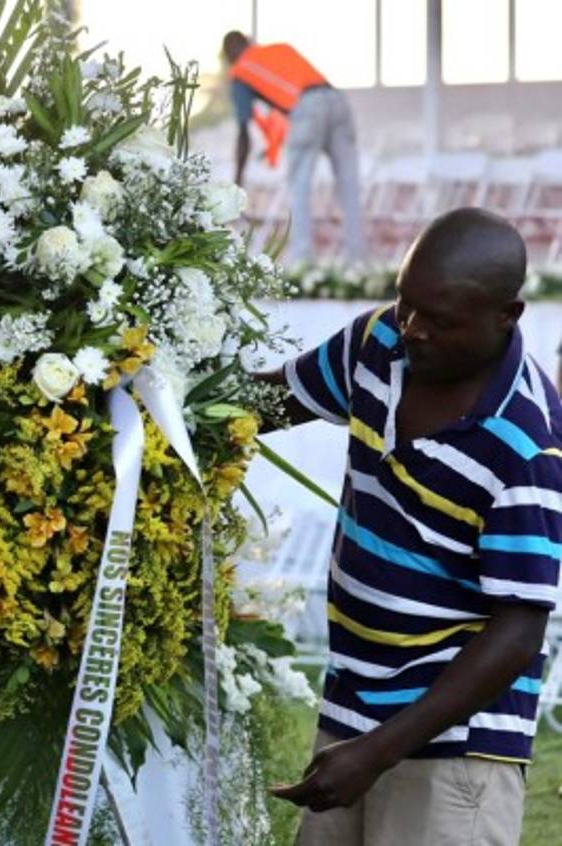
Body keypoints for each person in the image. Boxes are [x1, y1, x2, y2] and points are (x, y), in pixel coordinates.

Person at [259, 208, 562, 845]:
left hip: (455, 744)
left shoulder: (525, 445)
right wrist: (147, 394)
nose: (414, 330)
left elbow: (518, 631)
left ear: (507, 316)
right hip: (353, 705)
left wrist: (377, 753)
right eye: (405, 303)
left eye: (440, 320)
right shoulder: (379, 342)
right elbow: (265, 404)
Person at [222, 30, 365, 264]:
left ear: (229, 54)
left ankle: (302, 262)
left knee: (299, 186)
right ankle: (358, 260)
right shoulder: (278, 50)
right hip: (338, 100)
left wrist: (237, 181)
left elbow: (243, 132)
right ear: (249, 43)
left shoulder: (241, 70)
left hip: (307, 108)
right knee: (349, 183)